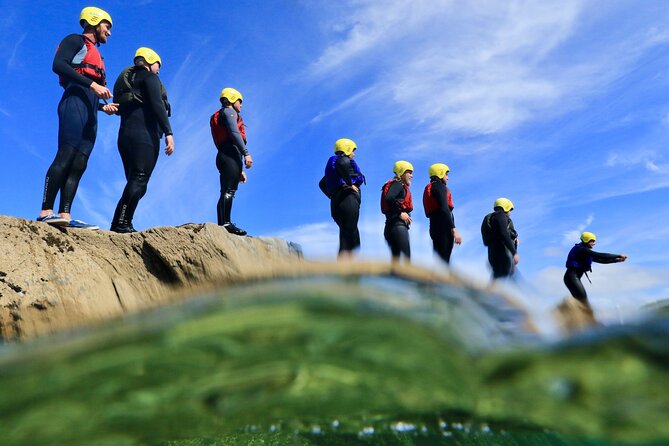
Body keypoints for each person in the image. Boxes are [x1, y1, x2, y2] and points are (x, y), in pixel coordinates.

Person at [37, 7, 118, 230]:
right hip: (73, 102)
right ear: (94, 22)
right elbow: (58, 65)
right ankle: (45, 211)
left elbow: (93, 92)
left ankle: (65, 214)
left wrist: (104, 108)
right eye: (107, 26)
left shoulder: (98, 54)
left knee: (79, 163)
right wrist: (93, 84)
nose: (109, 32)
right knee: (66, 154)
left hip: (91, 110)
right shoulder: (75, 40)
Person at [110, 48, 174, 233]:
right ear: (149, 60)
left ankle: (122, 222)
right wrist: (168, 132)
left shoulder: (129, 80)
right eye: (158, 65)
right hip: (144, 135)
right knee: (139, 179)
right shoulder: (149, 78)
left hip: (125, 136)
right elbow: (157, 104)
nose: (159, 70)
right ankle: (121, 223)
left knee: (136, 181)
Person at [210, 87, 253, 236]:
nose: (241, 105)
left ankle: (222, 224)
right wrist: (246, 153)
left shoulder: (220, 114)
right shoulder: (229, 112)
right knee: (229, 191)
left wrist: (239, 169)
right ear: (232, 99)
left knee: (225, 190)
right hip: (230, 154)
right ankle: (226, 223)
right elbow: (234, 133)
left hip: (225, 155)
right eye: (240, 101)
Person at [319, 138, 365, 259]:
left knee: (349, 237)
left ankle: (346, 270)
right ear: (347, 149)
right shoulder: (343, 160)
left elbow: (322, 184)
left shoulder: (333, 170)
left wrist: (333, 196)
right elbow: (342, 163)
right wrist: (349, 184)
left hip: (337, 203)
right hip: (348, 200)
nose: (354, 154)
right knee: (350, 238)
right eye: (353, 151)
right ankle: (347, 271)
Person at [564, 232, 628, 306]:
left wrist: (617, 260)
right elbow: (599, 255)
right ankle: (568, 308)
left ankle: (570, 311)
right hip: (571, 277)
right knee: (583, 301)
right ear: (586, 240)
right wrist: (618, 255)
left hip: (572, 278)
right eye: (592, 241)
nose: (594, 243)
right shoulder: (581, 250)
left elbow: (601, 260)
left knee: (581, 302)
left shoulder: (585, 252)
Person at [423, 163, 462, 264]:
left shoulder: (432, 187)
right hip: (443, 227)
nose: (447, 178)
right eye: (446, 174)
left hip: (434, 226)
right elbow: (444, 209)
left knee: (440, 260)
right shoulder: (439, 186)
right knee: (444, 261)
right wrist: (454, 229)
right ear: (440, 173)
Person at [381, 161, 414, 263]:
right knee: (407, 259)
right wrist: (400, 213)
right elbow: (389, 198)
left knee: (396, 261)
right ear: (402, 172)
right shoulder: (397, 184)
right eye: (409, 172)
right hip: (397, 227)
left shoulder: (397, 185)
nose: (411, 176)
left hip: (391, 227)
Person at [481, 197, 519, 279]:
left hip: (493, 252)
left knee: (499, 276)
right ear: (506, 206)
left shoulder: (493, 218)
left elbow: (503, 233)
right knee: (508, 276)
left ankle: (491, 290)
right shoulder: (500, 216)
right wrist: (514, 253)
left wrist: (514, 240)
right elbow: (503, 233)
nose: (510, 212)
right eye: (510, 209)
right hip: (502, 253)